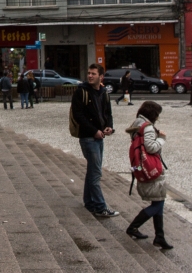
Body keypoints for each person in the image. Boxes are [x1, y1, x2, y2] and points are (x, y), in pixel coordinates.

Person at [69, 63, 118, 219]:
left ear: (101, 77)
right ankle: (100, 206)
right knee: (96, 173)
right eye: (89, 73)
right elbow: (78, 115)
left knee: (92, 171)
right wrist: (94, 131)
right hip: (88, 137)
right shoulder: (81, 92)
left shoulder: (104, 93)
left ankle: (90, 202)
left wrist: (109, 126)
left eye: (93, 74)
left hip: (99, 136)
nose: (90, 76)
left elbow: (107, 113)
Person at [124, 100, 172, 249]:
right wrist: (162, 139)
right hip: (151, 167)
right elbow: (151, 148)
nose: (158, 118)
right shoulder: (148, 127)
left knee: (158, 201)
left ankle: (160, 237)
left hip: (141, 166)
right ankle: (133, 227)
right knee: (158, 203)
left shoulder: (137, 123)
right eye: (157, 115)